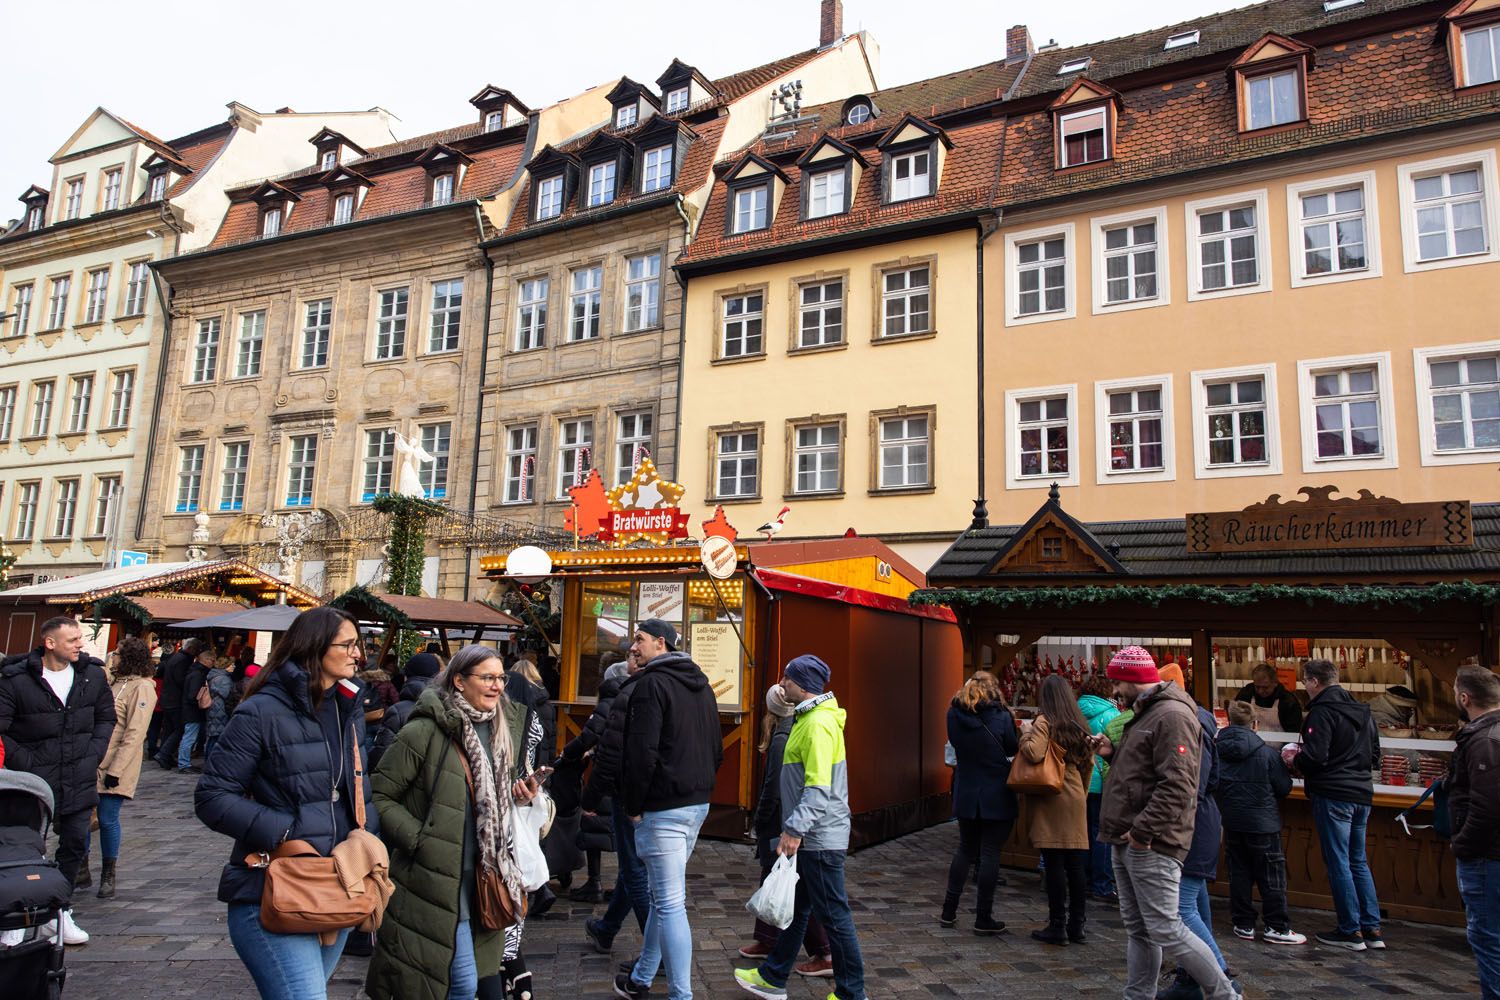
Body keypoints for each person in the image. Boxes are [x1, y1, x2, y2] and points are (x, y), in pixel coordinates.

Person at [195, 607, 378, 1000]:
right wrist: (287, 832)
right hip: (273, 887)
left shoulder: (347, 709)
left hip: (336, 885)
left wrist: (364, 837)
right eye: (347, 644)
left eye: (357, 645)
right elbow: (212, 796)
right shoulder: (261, 710)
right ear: (313, 648)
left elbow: (357, 788)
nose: (357, 654)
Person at [366, 644, 544, 1000]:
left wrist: (516, 794)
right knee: (457, 982)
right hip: (434, 879)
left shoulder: (499, 733)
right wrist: (419, 840)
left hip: (483, 876)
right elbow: (380, 796)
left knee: (471, 980)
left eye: (501, 678)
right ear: (459, 682)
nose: (497, 686)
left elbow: (479, 796)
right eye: (488, 678)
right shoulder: (425, 731)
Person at [1093, 646, 1236, 1000]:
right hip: (1126, 837)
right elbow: (1145, 770)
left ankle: (1225, 994)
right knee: (1140, 929)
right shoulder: (1146, 713)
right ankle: (1138, 995)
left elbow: (1179, 784)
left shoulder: (1171, 715)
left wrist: (1143, 832)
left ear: (1131, 678)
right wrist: (1110, 751)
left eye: (1116, 682)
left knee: (1168, 928)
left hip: (1150, 841)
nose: (1113, 691)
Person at [734, 655, 864, 1000]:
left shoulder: (817, 723)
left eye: (787, 678)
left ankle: (852, 993)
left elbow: (818, 787)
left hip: (819, 837)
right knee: (799, 910)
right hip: (815, 837)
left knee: (835, 917)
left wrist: (794, 829)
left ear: (802, 683)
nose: (782, 683)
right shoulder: (811, 720)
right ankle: (773, 976)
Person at [615, 619, 722, 1000]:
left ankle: (681, 994)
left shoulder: (651, 685)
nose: (633, 646)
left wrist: (633, 804)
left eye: (640, 639)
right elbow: (716, 746)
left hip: (663, 807)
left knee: (671, 903)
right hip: (696, 802)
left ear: (661, 643)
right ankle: (643, 976)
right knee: (665, 898)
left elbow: (640, 753)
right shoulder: (702, 685)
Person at [0, 616, 115, 945]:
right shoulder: (17, 680)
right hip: (33, 781)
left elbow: (106, 717)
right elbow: (2, 728)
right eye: (72, 640)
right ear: (50, 643)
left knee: (75, 844)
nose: (80, 644)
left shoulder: (92, 675)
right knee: (26, 845)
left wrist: (94, 752)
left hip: (79, 775)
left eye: (80, 638)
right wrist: (26, 762)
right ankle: (18, 913)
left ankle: (58, 911)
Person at [1289, 657, 1383, 951]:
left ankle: (1350, 930)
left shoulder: (1321, 712)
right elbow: (1375, 754)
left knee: (1339, 860)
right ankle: (1372, 927)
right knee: (1358, 860)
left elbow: (1315, 756)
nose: (1305, 687)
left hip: (1333, 794)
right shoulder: (1363, 712)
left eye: (1305, 681)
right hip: (1361, 793)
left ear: (1314, 682)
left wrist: (1295, 760)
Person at [742, 682, 833, 973]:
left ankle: (824, 951)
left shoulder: (783, 737)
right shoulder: (791, 730)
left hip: (782, 822)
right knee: (775, 878)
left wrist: (760, 821)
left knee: (791, 885)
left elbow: (774, 788)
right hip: (786, 820)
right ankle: (768, 938)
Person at [1157, 667, 1230, 999]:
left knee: (1181, 909)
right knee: (1196, 903)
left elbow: (1192, 786)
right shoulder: (1199, 719)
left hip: (1193, 824)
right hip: (1200, 821)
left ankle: (1220, 976)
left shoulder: (1190, 724)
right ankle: (1191, 977)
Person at [581, 651, 651, 959]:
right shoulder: (679, 689)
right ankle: (606, 928)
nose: (633, 655)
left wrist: (591, 797)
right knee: (631, 868)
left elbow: (609, 751)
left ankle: (656, 948)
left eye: (638, 649)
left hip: (631, 795)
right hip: (659, 796)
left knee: (635, 871)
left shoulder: (631, 693)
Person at [1215, 700, 1303, 945]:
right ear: (1254, 723)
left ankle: (1243, 923)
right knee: (1271, 875)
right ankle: (1277, 925)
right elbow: (1283, 787)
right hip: (1263, 822)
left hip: (1232, 819)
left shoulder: (1216, 750)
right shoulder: (1266, 754)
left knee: (1239, 872)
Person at [939, 670, 1017, 935]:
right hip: (996, 790)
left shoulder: (953, 715)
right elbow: (1010, 749)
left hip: (967, 789)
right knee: (990, 853)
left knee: (965, 849)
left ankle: (948, 911)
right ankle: (983, 916)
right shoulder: (1002, 716)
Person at [1019, 674, 1093, 946]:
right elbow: (1089, 763)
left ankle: (1057, 925)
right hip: (1074, 794)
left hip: (1053, 797)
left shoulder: (1043, 722)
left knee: (1054, 864)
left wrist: (1025, 734)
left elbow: (1034, 753)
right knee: (1075, 865)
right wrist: (1081, 794)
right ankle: (1078, 924)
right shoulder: (1078, 723)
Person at [558, 658, 628, 904]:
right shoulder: (635, 698)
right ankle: (623, 883)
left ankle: (595, 882)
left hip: (606, 774)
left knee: (593, 824)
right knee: (620, 829)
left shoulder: (609, 700)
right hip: (626, 774)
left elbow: (591, 734)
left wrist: (569, 753)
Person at [94, 635, 159, 900]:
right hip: (95, 758)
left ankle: (108, 871)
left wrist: (116, 770)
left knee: (107, 818)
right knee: (83, 818)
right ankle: (80, 870)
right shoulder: (114, 682)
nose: (113, 657)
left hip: (116, 762)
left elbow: (135, 732)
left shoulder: (142, 687)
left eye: (118, 653)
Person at [1450, 665, 1500, 999]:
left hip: (1486, 855)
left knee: (1488, 938)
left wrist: (1463, 844)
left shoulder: (1484, 739)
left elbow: (1488, 804)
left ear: (1465, 698)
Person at [1078, 675, 1121, 903]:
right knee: (1100, 832)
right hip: (1101, 780)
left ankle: (1082, 880)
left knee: (1082, 831)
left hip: (1079, 779)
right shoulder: (1112, 715)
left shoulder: (1075, 709)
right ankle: (1101, 884)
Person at [154, 637, 203, 769]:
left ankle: (165, 756)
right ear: (192, 649)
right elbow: (181, 680)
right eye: (197, 650)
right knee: (179, 729)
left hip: (167, 698)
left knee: (169, 729)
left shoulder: (175, 657)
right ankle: (164, 754)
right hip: (175, 700)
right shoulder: (183, 660)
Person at [176, 645, 216, 774]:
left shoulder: (194, 671)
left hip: (191, 710)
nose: (213, 663)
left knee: (190, 736)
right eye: (212, 660)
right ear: (206, 660)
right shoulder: (198, 674)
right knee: (189, 737)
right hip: (192, 711)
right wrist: (201, 701)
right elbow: (192, 695)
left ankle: (184, 762)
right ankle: (183, 763)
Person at [1233, 663, 1303, 734]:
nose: (1260, 691)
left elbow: (1293, 734)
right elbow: (1236, 723)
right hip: (1249, 743)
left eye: (1265, 687)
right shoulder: (1246, 694)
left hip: (1280, 744)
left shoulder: (1288, 701)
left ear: (1275, 683)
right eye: (1257, 687)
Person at [204, 654, 236, 763]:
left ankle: (208, 760)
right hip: (220, 710)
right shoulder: (225, 679)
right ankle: (211, 762)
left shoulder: (212, 675)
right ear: (225, 665)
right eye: (232, 664)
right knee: (216, 737)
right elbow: (226, 694)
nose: (234, 666)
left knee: (213, 736)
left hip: (213, 708)